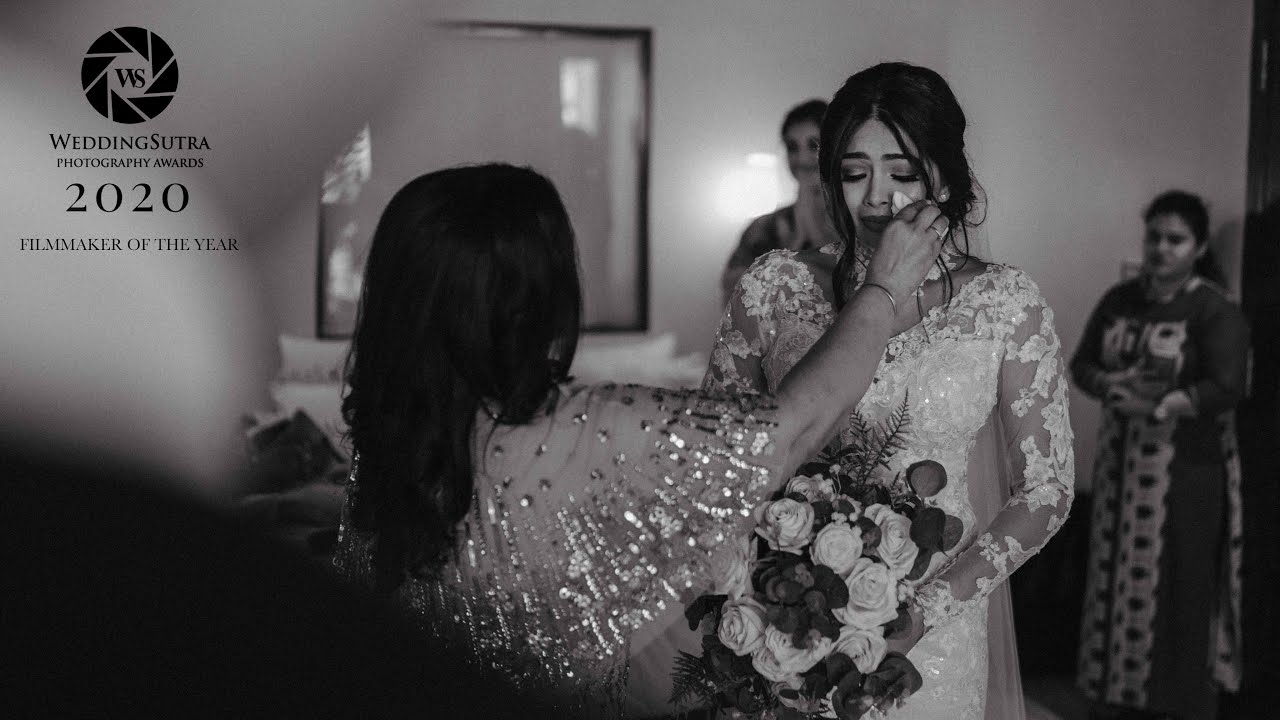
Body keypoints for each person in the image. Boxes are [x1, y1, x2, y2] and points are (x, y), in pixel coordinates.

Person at [331, 162, 945, 716]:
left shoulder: (388, 442)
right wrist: (884, 287)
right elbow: (790, 431)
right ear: (536, 300)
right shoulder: (587, 429)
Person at [704, 62, 1076, 720]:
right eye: (855, 173)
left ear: (945, 178)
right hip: (789, 621)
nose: (877, 198)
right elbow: (715, 461)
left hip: (935, 638)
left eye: (901, 173)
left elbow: (1046, 490)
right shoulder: (774, 288)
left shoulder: (1004, 302)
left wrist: (923, 612)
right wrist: (766, 586)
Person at [1073, 191, 1248, 720]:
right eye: (1155, 236)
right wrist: (1111, 383)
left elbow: (1230, 385)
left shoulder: (1214, 309)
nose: (1161, 248)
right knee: (1111, 577)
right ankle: (1112, 695)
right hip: (1120, 467)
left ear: (1199, 247)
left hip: (1186, 471)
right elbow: (1081, 364)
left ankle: (1173, 705)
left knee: (1180, 582)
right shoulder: (1121, 299)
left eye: (1176, 240)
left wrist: (1166, 403)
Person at [721, 99, 841, 303]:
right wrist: (792, 246)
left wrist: (813, 229)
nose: (801, 158)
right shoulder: (764, 228)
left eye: (813, 145)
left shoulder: (858, 220)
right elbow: (732, 298)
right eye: (792, 147)